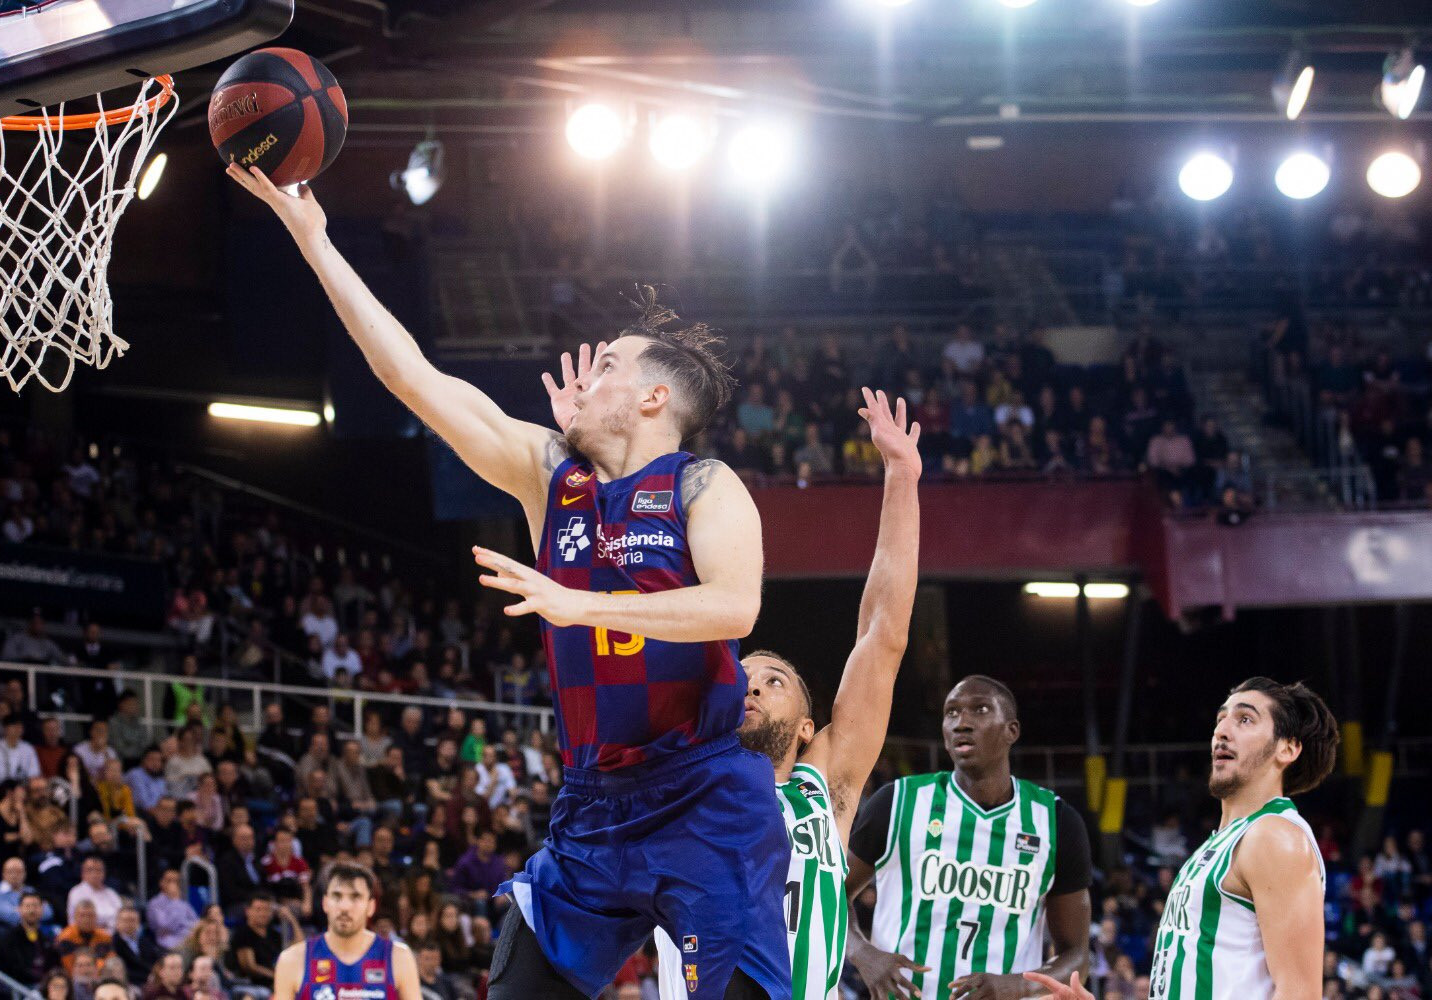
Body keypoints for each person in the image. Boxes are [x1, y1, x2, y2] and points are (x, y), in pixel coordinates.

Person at [236, 160, 785, 1000]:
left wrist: (578, 601)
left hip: (705, 797)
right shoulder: (550, 475)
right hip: (593, 804)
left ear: (654, 398)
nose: (585, 377)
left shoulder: (705, 486)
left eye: (608, 368)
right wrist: (316, 241)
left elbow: (732, 606)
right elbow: (410, 377)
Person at [654, 389, 923, 1000]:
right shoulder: (684, 773)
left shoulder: (823, 787)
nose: (753, 687)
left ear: (808, 726)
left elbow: (883, 637)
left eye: (774, 682)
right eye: (744, 679)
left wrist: (902, 478)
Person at [1027, 678, 1339, 1000]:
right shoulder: (1218, 844)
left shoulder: (1274, 836)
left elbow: (1300, 992)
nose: (1222, 731)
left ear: (1287, 748)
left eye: (1244, 719)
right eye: (1221, 719)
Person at [843, 676, 1093, 1000]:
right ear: (945, 737)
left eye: (981, 709)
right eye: (951, 713)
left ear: (1011, 731)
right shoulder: (896, 802)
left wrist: (1015, 984)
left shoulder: (1057, 822)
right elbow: (830, 894)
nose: (962, 723)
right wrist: (863, 954)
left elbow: (1077, 956)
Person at [270, 864, 420, 1000]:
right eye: (337, 896)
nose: (345, 906)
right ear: (325, 903)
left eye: (355, 897)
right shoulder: (293, 960)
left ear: (371, 907)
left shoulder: (398, 957)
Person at [0, 890, 60, 986]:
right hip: (20, 988)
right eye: (27, 906)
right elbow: (13, 969)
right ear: (19, 909)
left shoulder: (48, 938)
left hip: (45, 987)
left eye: (35, 906)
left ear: (42, 909)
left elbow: (54, 966)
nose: (32, 910)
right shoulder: (9, 938)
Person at [68, 858, 124, 932]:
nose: (94, 874)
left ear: (104, 873)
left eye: (98, 870)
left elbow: (121, 916)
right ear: (83, 873)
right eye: (90, 870)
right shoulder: (76, 892)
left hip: (114, 934)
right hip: (88, 935)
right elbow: (76, 921)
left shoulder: (111, 893)